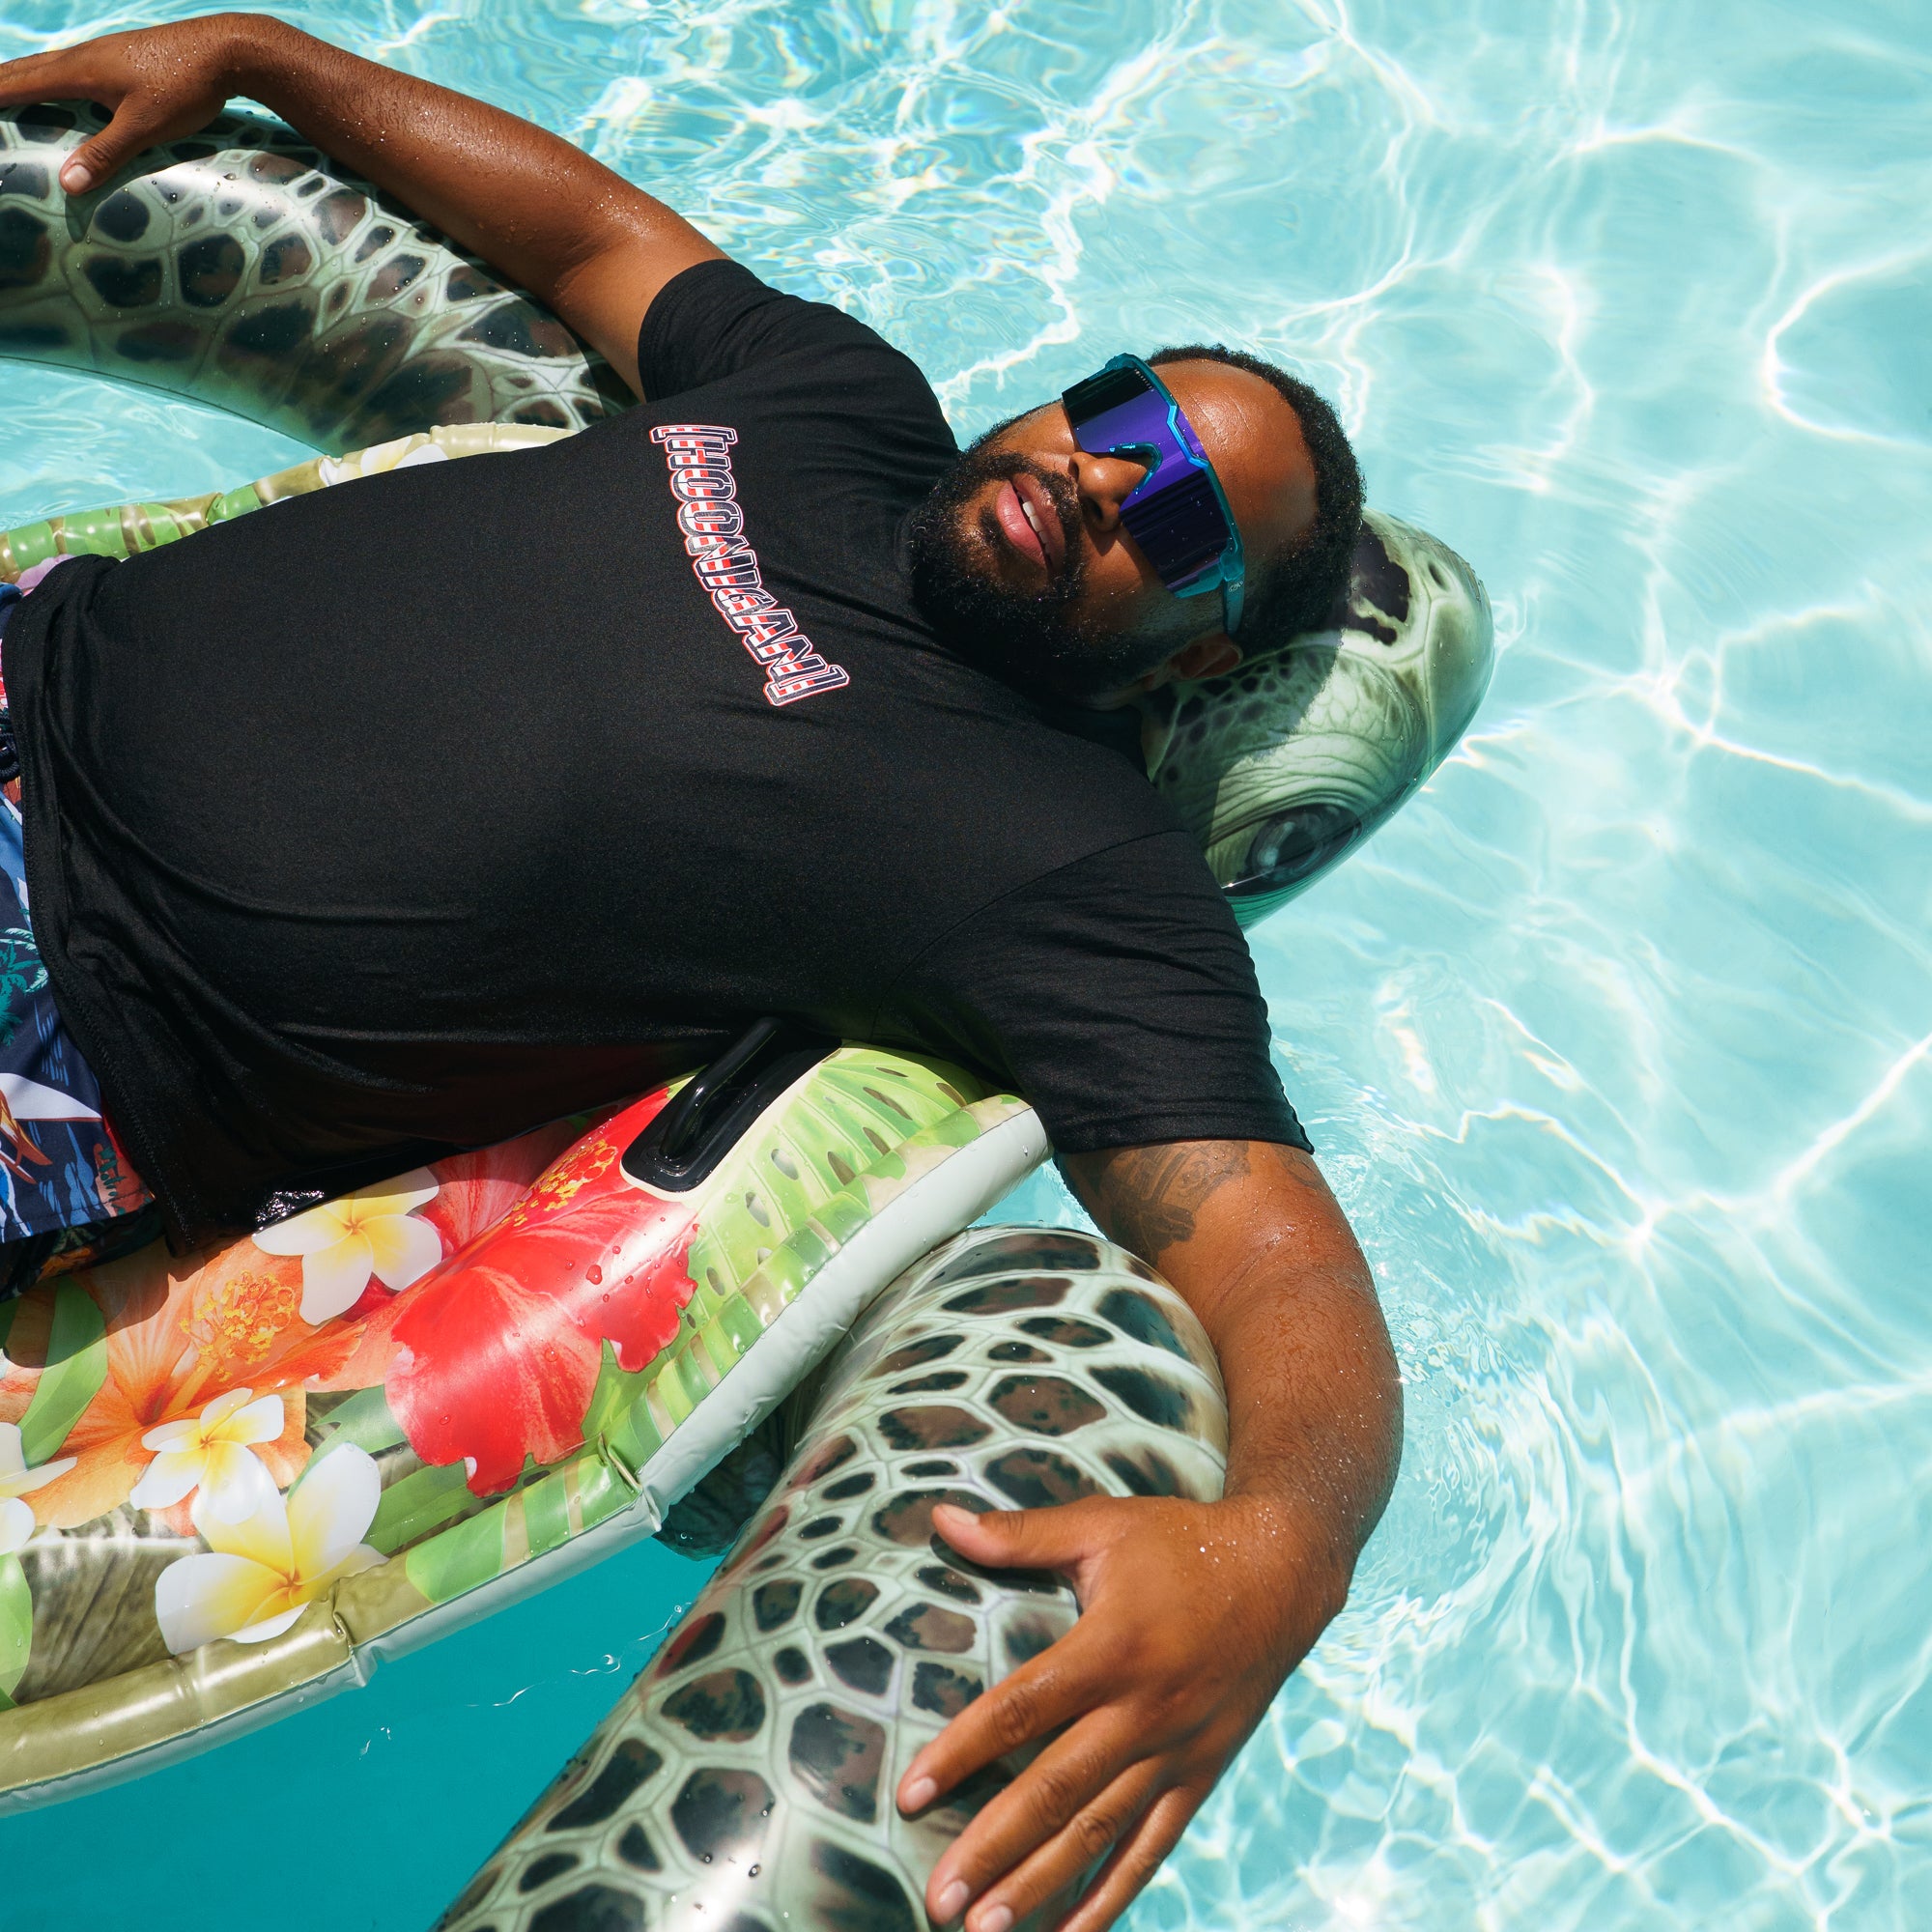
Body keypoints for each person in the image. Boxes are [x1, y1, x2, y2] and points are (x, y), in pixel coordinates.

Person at [0, 17, 1402, 1932]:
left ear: (1188, 661)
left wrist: (1279, 1555)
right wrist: (270, 60)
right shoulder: (834, 401)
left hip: (71, 1020)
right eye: (1121, 419)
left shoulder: (1066, 863)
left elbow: (1268, 1244)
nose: (1098, 480)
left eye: (1174, 523)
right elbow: (585, 232)